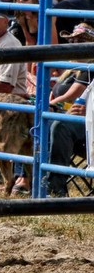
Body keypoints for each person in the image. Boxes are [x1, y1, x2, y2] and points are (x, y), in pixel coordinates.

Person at [45, 23, 94, 197]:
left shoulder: (89, 68)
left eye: (80, 40)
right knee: (33, 118)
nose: (74, 43)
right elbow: (60, 97)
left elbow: (71, 96)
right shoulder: (72, 68)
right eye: (72, 39)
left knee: (59, 126)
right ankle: (25, 178)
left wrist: (51, 105)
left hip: (87, 123)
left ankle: (55, 186)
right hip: (74, 116)